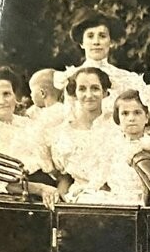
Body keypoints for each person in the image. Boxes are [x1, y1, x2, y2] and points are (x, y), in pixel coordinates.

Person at [0, 66, 58, 208]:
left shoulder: (28, 123)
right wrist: (41, 189)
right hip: (17, 201)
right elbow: (1, 182)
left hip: (49, 191)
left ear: (15, 96)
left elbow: (53, 164)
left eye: (7, 94)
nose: (2, 101)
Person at [62, 89, 149, 206]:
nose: (131, 118)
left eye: (137, 113)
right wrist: (89, 187)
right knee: (85, 198)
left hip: (141, 199)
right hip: (117, 197)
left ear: (147, 117)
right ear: (118, 119)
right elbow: (102, 173)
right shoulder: (114, 145)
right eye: (125, 113)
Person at [48, 67, 118, 203]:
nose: (89, 94)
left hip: (116, 196)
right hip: (79, 198)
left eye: (95, 88)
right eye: (82, 89)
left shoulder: (116, 127)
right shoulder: (64, 133)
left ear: (104, 92)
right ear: (74, 93)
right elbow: (65, 176)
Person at [55, 8, 144, 113]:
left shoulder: (126, 79)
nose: (96, 42)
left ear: (111, 42)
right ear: (82, 43)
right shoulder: (69, 78)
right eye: (90, 36)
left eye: (102, 36)